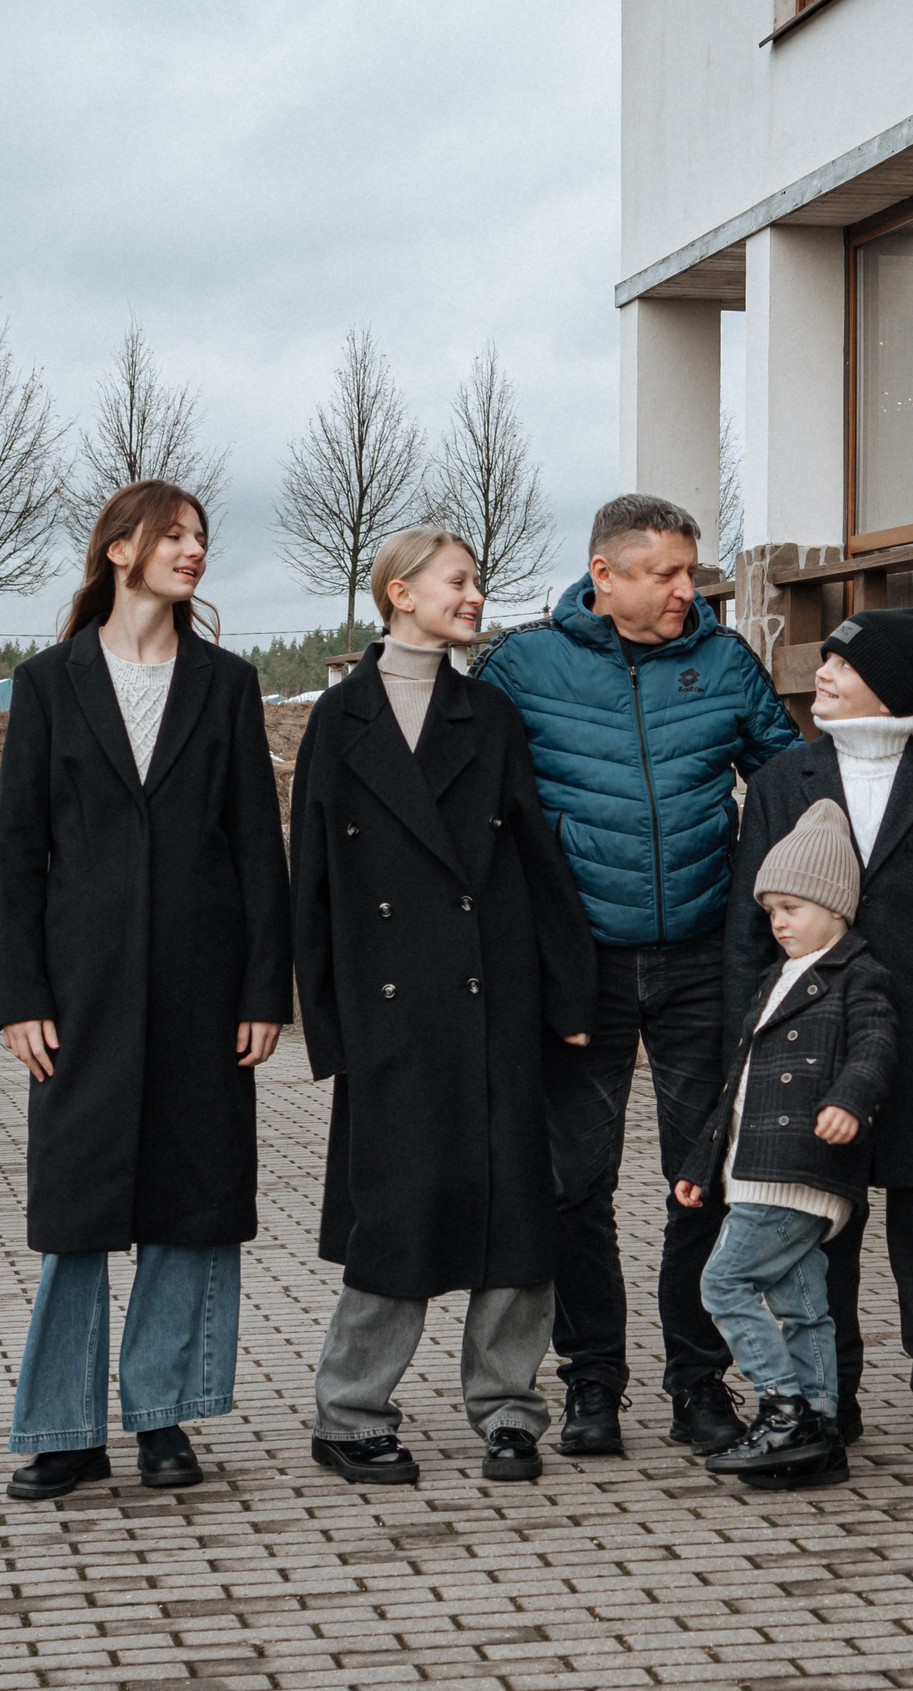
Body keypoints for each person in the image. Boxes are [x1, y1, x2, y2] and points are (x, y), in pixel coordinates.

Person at [472, 494, 804, 1458]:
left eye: (691, 572)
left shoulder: (724, 660)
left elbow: (788, 785)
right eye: (663, 573)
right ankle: (592, 1385)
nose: (683, 591)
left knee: (700, 1178)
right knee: (576, 1181)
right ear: (602, 574)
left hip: (705, 955)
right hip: (581, 964)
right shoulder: (524, 666)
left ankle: (701, 1384)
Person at [0, 479, 292, 1500]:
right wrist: (20, 995)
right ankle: (65, 1430)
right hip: (80, 993)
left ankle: (167, 1418)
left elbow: (258, 847)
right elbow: (18, 855)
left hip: (206, 993)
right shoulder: (47, 683)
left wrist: (264, 989)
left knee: (193, 1204)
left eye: (203, 536)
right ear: (120, 550)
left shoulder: (227, 683)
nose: (194, 551)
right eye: (175, 535)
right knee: (74, 1209)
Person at [290, 527, 598, 1487]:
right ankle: (349, 1412)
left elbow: (537, 862)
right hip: (393, 1012)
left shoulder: (488, 714)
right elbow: (312, 883)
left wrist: (566, 988)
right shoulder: (337, 721)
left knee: (514, 1209)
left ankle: (509, 1410)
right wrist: (328, 1023)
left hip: (492, 997)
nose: (473, 597)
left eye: (473, 583)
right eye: (457, 582)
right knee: (397, 1211)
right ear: (400, 592)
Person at [724, 607, 913, 1470]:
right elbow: (746, 924)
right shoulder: (780, 780)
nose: (823, 677)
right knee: (820, 1229)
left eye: (842, 664)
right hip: (809, 1051)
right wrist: (747, 1047)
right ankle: (826, 1396)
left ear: (890, 683)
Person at [676, 800, 899, 1491]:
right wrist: (698, 1167)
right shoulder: (776, 979)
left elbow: (876, 1044)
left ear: (836, 908)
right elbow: (734, 1088)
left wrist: (848, 1099)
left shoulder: (856, 974)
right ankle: (820, 1435)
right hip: (753, 1170)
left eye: (793, 906)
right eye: (771, 908)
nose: (778, 920)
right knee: (802, 1305)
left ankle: (783, 1406)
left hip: (797, 1168)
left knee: (724, 1281)